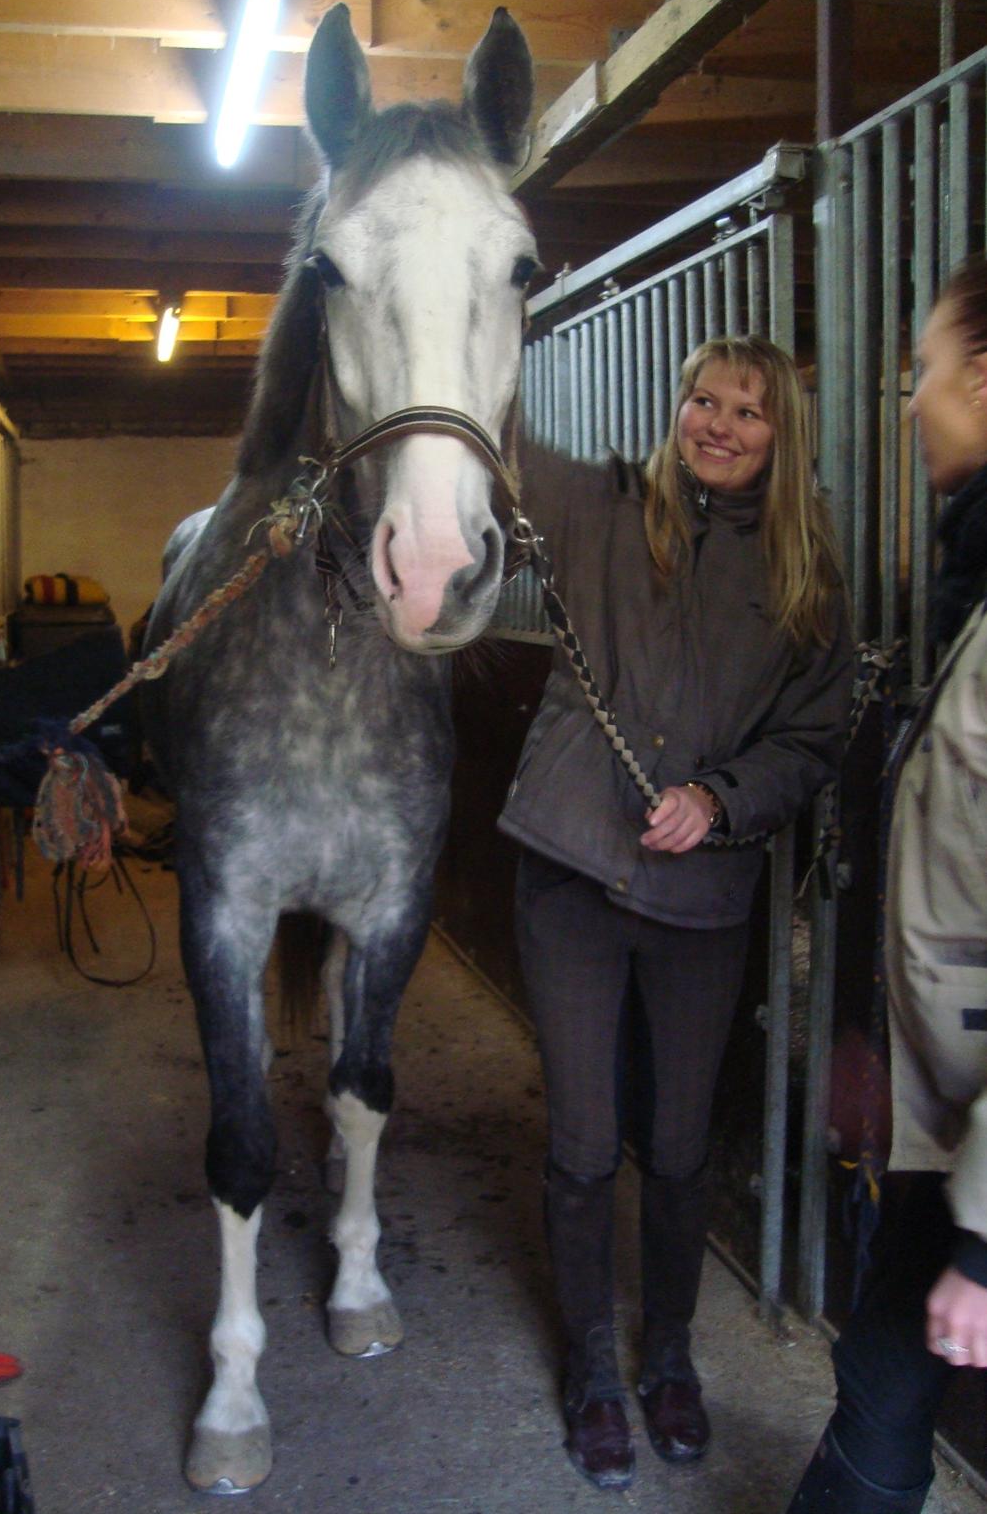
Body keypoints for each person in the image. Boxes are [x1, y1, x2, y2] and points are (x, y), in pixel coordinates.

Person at [499, 335, 854, 1490]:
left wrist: (722, 798)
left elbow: (813, 734)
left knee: (685, 1145)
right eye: (702, 398)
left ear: (779, 436)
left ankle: (672, 1356)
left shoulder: (809, 575)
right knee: (586, 1141)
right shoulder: (604, 509)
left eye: (747, 412)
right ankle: (598, 1368)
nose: (718, 423)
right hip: (572, 870)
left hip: (704, 894)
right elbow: (493, 440)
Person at [786, 257, 987, 1512]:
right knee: (876, 1388)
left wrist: (981, 1241)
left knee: (881, 1393)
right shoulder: (968, 590)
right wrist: (879, 1040)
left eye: (918, 373)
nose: (905, 402)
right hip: (947, 1120)